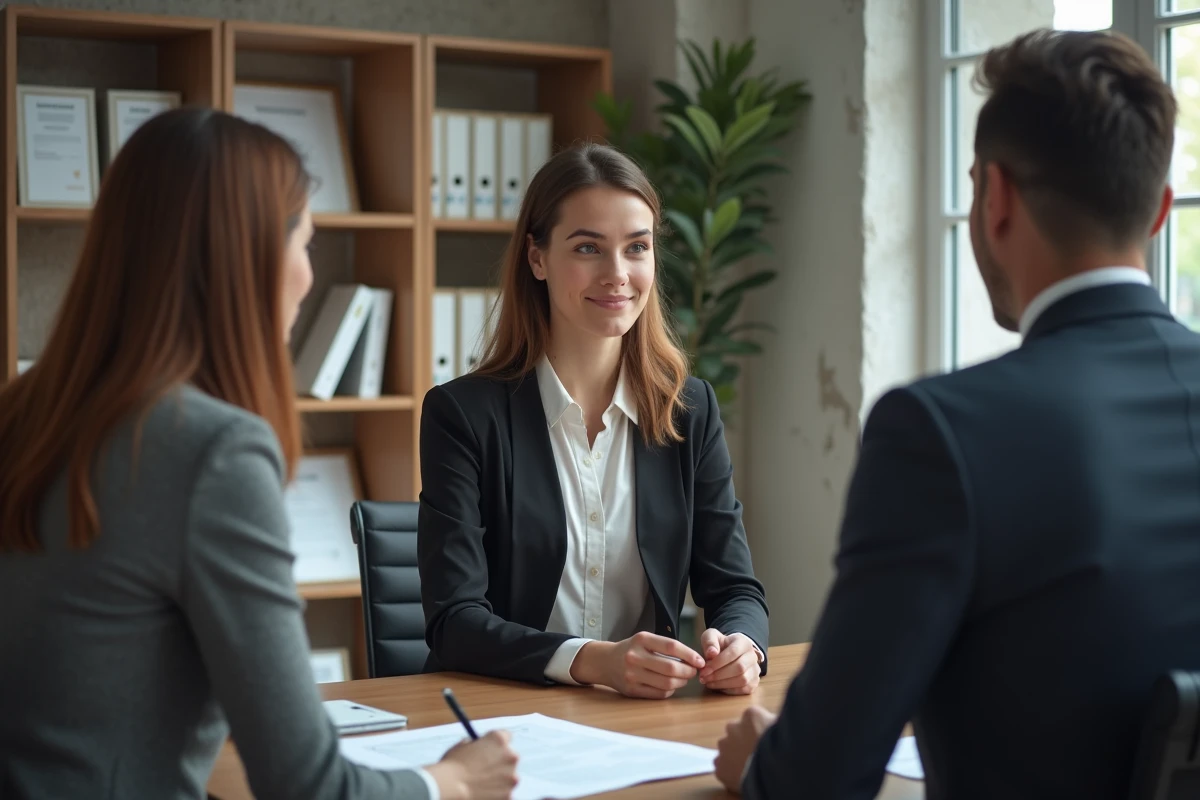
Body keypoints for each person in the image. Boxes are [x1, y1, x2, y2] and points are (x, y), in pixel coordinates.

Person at [714, 28, 1200, 799]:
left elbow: (819, 778)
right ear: (1160, 212)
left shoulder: (943, 432)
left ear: (995, 195)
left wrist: (762, 770)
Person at [0, 107, 517, 800]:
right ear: (244, 259)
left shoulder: (27, 407)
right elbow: (307, 786)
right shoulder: (212, 452)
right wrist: (450, 781)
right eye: (304, 243)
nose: (308, 276)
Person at [417, 143, 769, 699]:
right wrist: (593, 662)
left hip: (644, 722)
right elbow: (455, 622)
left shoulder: (689, 411)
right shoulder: (462, 415)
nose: (617, 275)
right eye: (588, 248)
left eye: (637, 248)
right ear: (537, 258)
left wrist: (744, 647)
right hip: (504, 717)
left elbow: (734, 587)